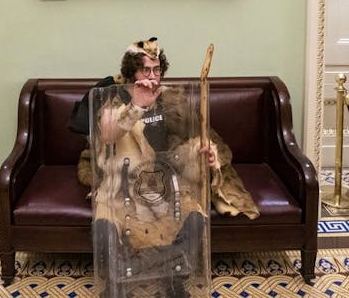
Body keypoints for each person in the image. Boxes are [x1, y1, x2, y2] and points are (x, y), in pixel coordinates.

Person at [69, 38, 257, 297]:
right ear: (131, 72)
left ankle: (173, 276)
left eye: (157, 70)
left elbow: (183, 145)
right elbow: (109, 133)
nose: (152, 76)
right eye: (145, 70)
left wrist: (203, 154)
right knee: (104, 228)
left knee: (195, 218)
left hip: (163, 183)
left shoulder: (170, 100)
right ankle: (121, 280)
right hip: (121, 185)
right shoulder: (113, 96)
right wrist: (136, 105)